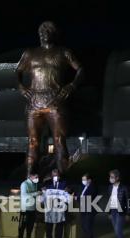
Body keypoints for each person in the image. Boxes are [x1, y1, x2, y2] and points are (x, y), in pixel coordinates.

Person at [16, 21, 83, 176]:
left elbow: (80, 69)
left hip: (55, 102)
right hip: (34, 101)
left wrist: (72, 86)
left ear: (54, 34)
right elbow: (17, 71)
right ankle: (29, 180)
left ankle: (61, 181)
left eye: (47, 31)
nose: (43, 34)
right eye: (41, 31)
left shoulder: (63, 52)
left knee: (59, 140)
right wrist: (20, 86)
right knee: (32, 142)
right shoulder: (29, 53)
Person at [108, 169, 130, 238]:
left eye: (112, 177)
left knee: (118, 230)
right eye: (110, 177)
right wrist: (109, 212)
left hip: (120, 211)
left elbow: (128, 201)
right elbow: (110, 200)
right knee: (116, 230)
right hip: (113, 210)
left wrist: (128, 213)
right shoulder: (110, 187)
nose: (110, 178)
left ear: (117, 178)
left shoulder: (124, 188)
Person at [44, 169, 67, 238]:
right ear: (51, 176)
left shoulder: (63, 183)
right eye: (53, 175)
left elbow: (67, 192)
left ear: (59, 175)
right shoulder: (47, 183)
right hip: (50, 206)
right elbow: (43, 192)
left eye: (56, 175)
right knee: (49, 224)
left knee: (59, 224)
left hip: (60, 206)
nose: (55, 176)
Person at [18, 173, 41, 238]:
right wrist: (36, 193)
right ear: (31, 176)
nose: (37, 178)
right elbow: (24, 195)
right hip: (25, 208)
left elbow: (35, 196)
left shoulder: (35, 184)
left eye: (38, 177)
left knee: (30, 226)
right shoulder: (24, 184)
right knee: (22, 225)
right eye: (36, 177)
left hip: (32, 208)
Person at [79, 173, 98, 238]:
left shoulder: (92, 187)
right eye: (82, 179)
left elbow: (88, 198)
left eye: (84, 179)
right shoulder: (84, 187)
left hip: (89, 210)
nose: (83, 181)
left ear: (89, 180)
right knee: (84, 227)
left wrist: (77, 198)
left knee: (88, 227)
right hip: (83, 209)